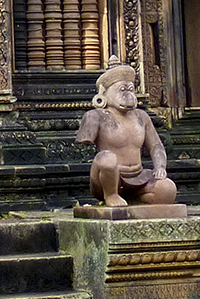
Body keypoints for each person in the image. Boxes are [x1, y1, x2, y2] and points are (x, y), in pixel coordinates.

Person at [76, 57, 178, 207]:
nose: (128, 94)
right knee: (106, 158)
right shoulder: (96, 116)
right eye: (122, 89)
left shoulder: (141, 116)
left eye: (130, 89)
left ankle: (132, 201)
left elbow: (156, 146)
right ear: (104, 93)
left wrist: (160, 167)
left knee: (168, 190)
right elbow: (85, 143)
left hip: (138, 177)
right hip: (108, 179)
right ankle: (111, 196)